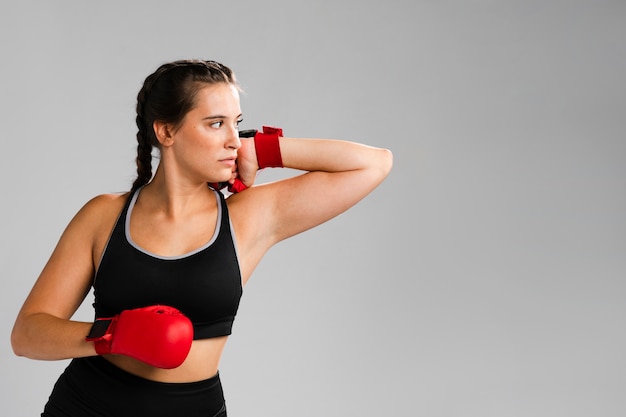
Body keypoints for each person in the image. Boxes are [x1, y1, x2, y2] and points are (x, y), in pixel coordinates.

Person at [11, 59, 393, 417]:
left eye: (237, 123)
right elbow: (28, 333)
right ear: (166, 131)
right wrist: (113, 335)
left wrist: (263, 149)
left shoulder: (248, 217)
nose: (233, 140)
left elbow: (373, 163)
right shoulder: (105, 215)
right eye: (215, 124)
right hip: (87, 406)